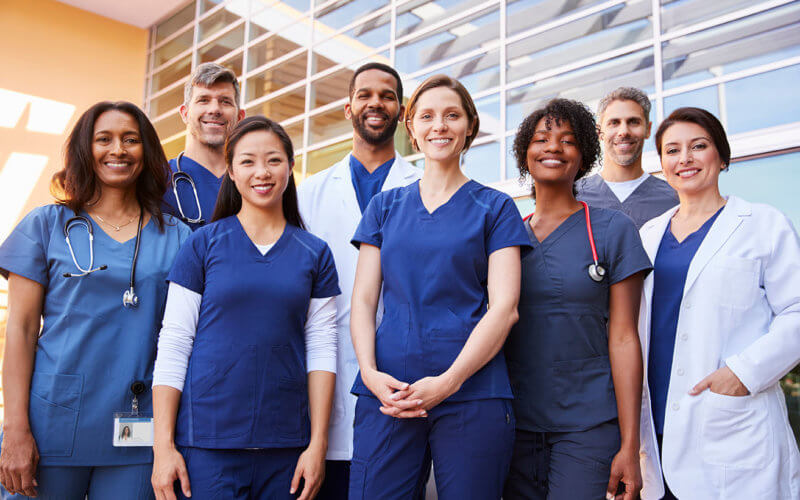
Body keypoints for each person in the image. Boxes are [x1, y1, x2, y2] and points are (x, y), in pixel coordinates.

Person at [348, 74, 529, 499]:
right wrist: (371, 375)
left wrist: (448, 382)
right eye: (427, 116)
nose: (439, 126)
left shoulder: (496, 207)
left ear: (470, 126)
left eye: (452, 115)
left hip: (473, 392)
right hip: (389, 392)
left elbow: (506, 308)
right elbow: (363, 299)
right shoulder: (385, 206)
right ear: (411, 129)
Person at [0, 101, 191, 499]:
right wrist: (15, 429)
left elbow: (183, 339)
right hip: (51, 422)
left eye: (131, 140)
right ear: (85, 151)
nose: (117, 150)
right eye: (103, 139)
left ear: (148, 151)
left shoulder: (177, 236)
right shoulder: (45, 225)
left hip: (139, 427)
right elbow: (19, 330)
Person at [150, 116, 339, 500]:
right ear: (231, 172)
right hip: (207, 444)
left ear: (289, 166)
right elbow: (173, 343)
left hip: (286, 446)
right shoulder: (202, 246)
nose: (262, 172)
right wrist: (163, 447)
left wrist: (317, 444)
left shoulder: (314, 253)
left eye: (273, 160)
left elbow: (321, 351)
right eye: (248, 161)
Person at [637, 107, 800, 500]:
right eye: (672, 150)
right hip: (655, 425)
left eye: (699, 146)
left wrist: (742, 373)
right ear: (662, 164)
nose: (685, 159)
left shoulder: (762, 223)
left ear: (722, 157)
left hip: (731, 423)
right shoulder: (647, 234)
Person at [503, 98, 650, 500]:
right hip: (514, 425)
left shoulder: (611, 230)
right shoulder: (505, 237)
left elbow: (624, 338)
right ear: (524, 153)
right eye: (541, 139)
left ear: (583, 154)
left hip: (588, 426)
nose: (553, 147)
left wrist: (630, 444)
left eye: (567, 140)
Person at [297, 62, 421, 498]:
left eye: (387, 95)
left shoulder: (424, 187)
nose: (375, 103)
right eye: (365, 94)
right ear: (347, 107)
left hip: (401, 376)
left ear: (401, 111)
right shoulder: (309, 192)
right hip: (322, 371)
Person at [576, 87, 678, 228]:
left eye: (633, 122)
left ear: (648, 130)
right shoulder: (573, 196)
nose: (624, 131)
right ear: (599, 132)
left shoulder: (674, 199)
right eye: (614, 123)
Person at [162, 62, 245, 230]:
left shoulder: (252, 182)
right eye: (203, 100)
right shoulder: (157, 181)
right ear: (185, 114)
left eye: (225, 101)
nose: (215, 109)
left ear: (240, 117)